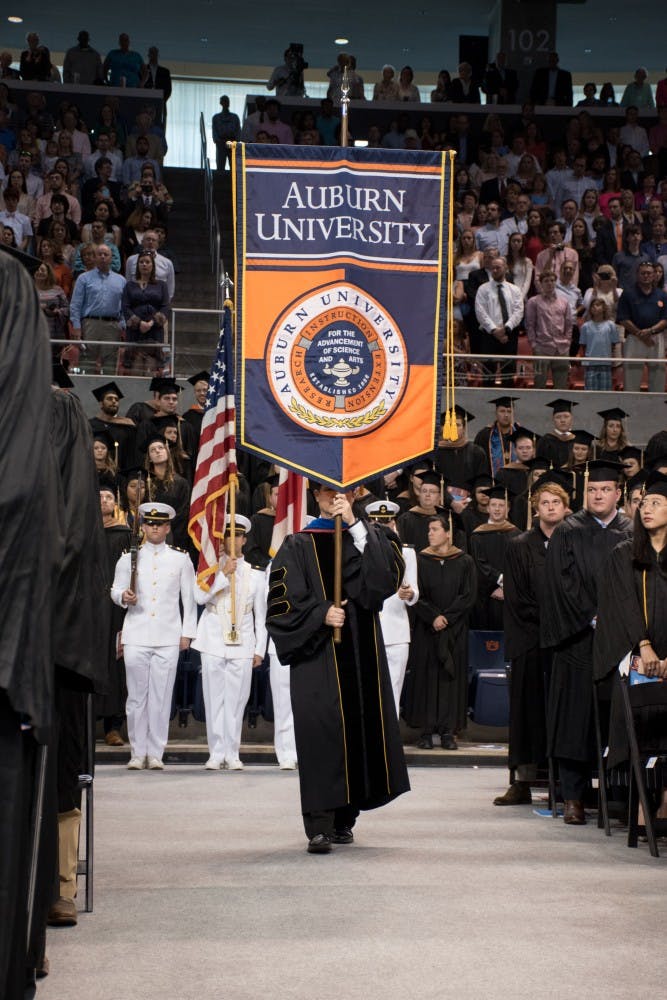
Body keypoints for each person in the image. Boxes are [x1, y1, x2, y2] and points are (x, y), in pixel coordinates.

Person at [266, 484, 410, 854]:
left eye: (342, 493)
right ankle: (318, 824)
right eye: (327, 492)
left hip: (361, 653)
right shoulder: (298, 544)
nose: (334, 498)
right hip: (316, 655)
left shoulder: (375, 537)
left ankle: (345, 819)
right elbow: (281, 603)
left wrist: (352, 523)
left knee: (359, 731)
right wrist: (320, 614)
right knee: (321, 735)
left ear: (356, 495)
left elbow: (382, 585)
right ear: (315, 496)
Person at [541, 461, 633, 825]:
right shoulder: (568, 530)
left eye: (605, 489)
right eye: (593, 490)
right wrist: (593, 617)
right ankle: (574, 798)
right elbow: (559, 585)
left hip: (620, 642)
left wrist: (618, 622)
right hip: (578, 639)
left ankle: (621, 797)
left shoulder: (630, 530)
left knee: (619, 719)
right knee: (574, 719)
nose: (598, 495)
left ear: (618, 493)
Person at [494, 475, 570, 805]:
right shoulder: (519, 545)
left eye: (556, 502)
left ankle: (563, 781)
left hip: (567, 644)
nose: (550, 507)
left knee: (563, 712)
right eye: (544, 503)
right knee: (526, 711)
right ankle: (522, 782)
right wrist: (554, 622)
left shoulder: (575, 542)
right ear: (535, 510)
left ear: (566, 509)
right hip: (530, 640)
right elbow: (518, 597)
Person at [594, 473, 667, 802]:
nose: (646, 509)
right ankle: (640, 805)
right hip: (636, 659)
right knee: (642, 730)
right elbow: (622, 605)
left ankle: (665, 802)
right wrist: (645, 647)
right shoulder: (623, 555)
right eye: (642, 504)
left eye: (656, 503)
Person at [111, 502, 196, 769]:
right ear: (144, 526)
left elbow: (189, 599)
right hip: (136, 632)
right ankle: (138, 752)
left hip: (168, 634)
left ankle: (156, 751)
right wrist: (124, 596)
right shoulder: (129, 557)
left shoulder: (180, 558)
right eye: (150, 523)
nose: (155, 528)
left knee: (161, 696)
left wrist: (187, 633)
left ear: (168, 527)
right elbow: (115, 589)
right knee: (136, 696)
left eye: (160, 524)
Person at [193, 514, 266, 770]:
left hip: (243, 641)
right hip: (213, 638)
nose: (232, 539)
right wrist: (222, 574)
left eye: (237, 535)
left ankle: (232, 751)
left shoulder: (256, 575)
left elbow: (262, 615)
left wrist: (259, 649)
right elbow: (200, 598)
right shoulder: (209, 570)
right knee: (214, 699)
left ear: (244, 539)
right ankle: (215, 752)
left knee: (236, 700)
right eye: (227, 534)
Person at [404, 515, 476, 750]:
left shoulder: (464, 561)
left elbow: (468, 596)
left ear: (448, 533)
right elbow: (417, 594)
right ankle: (426, 731)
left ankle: (448, 731)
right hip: (427, 628)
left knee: (450, 678)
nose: (430, 534)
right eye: (429, 530)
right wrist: (433, 616)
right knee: (426, 676)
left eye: (435, 529)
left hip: (455, 629)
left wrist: (447, 618)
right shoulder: (421, 560)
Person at [365, 501, 419, 715]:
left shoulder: (406, 552)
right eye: (378, 522)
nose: (382, 527)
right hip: (370, 627)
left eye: (386, 522)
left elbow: (414, 589)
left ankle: (390, 743)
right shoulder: (362, 550)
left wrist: (410, 594)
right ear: (370, 523)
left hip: (396, 630)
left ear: (394, 523)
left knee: (394, 690)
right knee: (369, 690)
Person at [97, 485, 131, 746]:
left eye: (109, 497)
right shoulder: (83, 532)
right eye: (99, 497)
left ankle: (113, 726)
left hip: (116, 608)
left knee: (115, 663)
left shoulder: (125, 535)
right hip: (87, 605)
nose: (105, 500)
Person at [69, 243, 126, 374]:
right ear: (95, 257)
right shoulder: (84, 278)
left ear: (111, 258)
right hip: (90, 323)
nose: (102, 257)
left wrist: (122, 325)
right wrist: (76, 326)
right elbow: (75, 304)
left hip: (113, 325)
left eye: (106, 254)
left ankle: (108, 394)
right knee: (87, 361)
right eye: (99, 254)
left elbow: (124, 306)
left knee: (110, 364)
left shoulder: (121, 280)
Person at [470, 485, 520, 630]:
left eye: (501, 505)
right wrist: (499, 581)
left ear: (508, 509)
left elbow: (520, 566)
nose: (497, 509)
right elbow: (478, 565)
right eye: (493, 505)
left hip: (511, 598)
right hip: (485, 597)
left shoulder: (517, 535)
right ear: (488, 508)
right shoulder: (477, 535)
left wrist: (507, 587)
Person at [617, 260, 667, 393]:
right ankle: (630, 412)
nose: (646, 276)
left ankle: (655, 411)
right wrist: (641, 335)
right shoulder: (628, 294)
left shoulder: (662, 295)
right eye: (643, 273)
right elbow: (623, 319)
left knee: (658, 380)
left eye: (649, 273)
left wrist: (650, 331)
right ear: (637, 275)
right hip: (634, 339)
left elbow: (665, 319)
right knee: (631, 381)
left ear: (654, 275)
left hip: (656, 338)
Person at [474, 255, 524, 386]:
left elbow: (518, 312)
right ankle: (487, 403)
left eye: (498, 267)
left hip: (510, 334)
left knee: (508, 372)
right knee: (488, 372)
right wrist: (494, 330)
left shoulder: (515, 290)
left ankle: (507, 404)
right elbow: (480, 312)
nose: (494, 270)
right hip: (489, 335)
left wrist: (506, 328)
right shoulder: (483, 289)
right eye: (492, 268)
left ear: (506, 268)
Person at [121, 250, 170, 376]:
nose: (144, 264)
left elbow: (165, 307)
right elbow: (125, 307)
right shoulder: (129, 285)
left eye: (147, 262)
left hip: (154, 332)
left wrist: (151, 323)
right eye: (141, 262)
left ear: (152, 265)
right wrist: (139, 323)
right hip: (135, 333)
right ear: (137, 266)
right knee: (135, 367)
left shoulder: (162, 285)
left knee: (151, 370)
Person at [525, 269, 573, 389]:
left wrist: (567, 340)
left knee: (561, 385)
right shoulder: (533, 301)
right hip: (542, 347)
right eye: (546, 281)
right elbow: (530, 325)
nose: (550, 283)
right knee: (539, 384)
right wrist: (534, 345)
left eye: (552, 280)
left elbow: (568, 323)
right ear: (541, 283)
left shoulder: (564, 302)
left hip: (561, 348)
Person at [579, 298, 621, 390]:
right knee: (590, 393)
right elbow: (583, 346)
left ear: (604, 308)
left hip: (605, 364)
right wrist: (585, 362)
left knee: (605, 393)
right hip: (590, 365)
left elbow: (613, 345)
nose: (594, 307)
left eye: (598, 305)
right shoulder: (585, 326)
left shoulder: (611, 325)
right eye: (592, 306)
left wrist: (611, 361)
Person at [536, 399, 577, 469]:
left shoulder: (577, 440)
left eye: (566, 416)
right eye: (558, 417)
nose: (562, 420)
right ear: (553, 419)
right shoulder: (545, 441)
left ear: (572, 418)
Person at [212, 96, 240, 171]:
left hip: (232, 141)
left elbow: (238, 130)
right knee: (220, 164)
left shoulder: (235, 117)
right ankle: (220, 181)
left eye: (227, 101)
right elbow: (214, 131)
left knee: (233, 165)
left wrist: (237, 142)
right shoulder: (216, 117)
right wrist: (217, 141)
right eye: (224, 101)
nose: (226, 103)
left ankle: (234, 181)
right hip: (221, 142)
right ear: (221, 103)